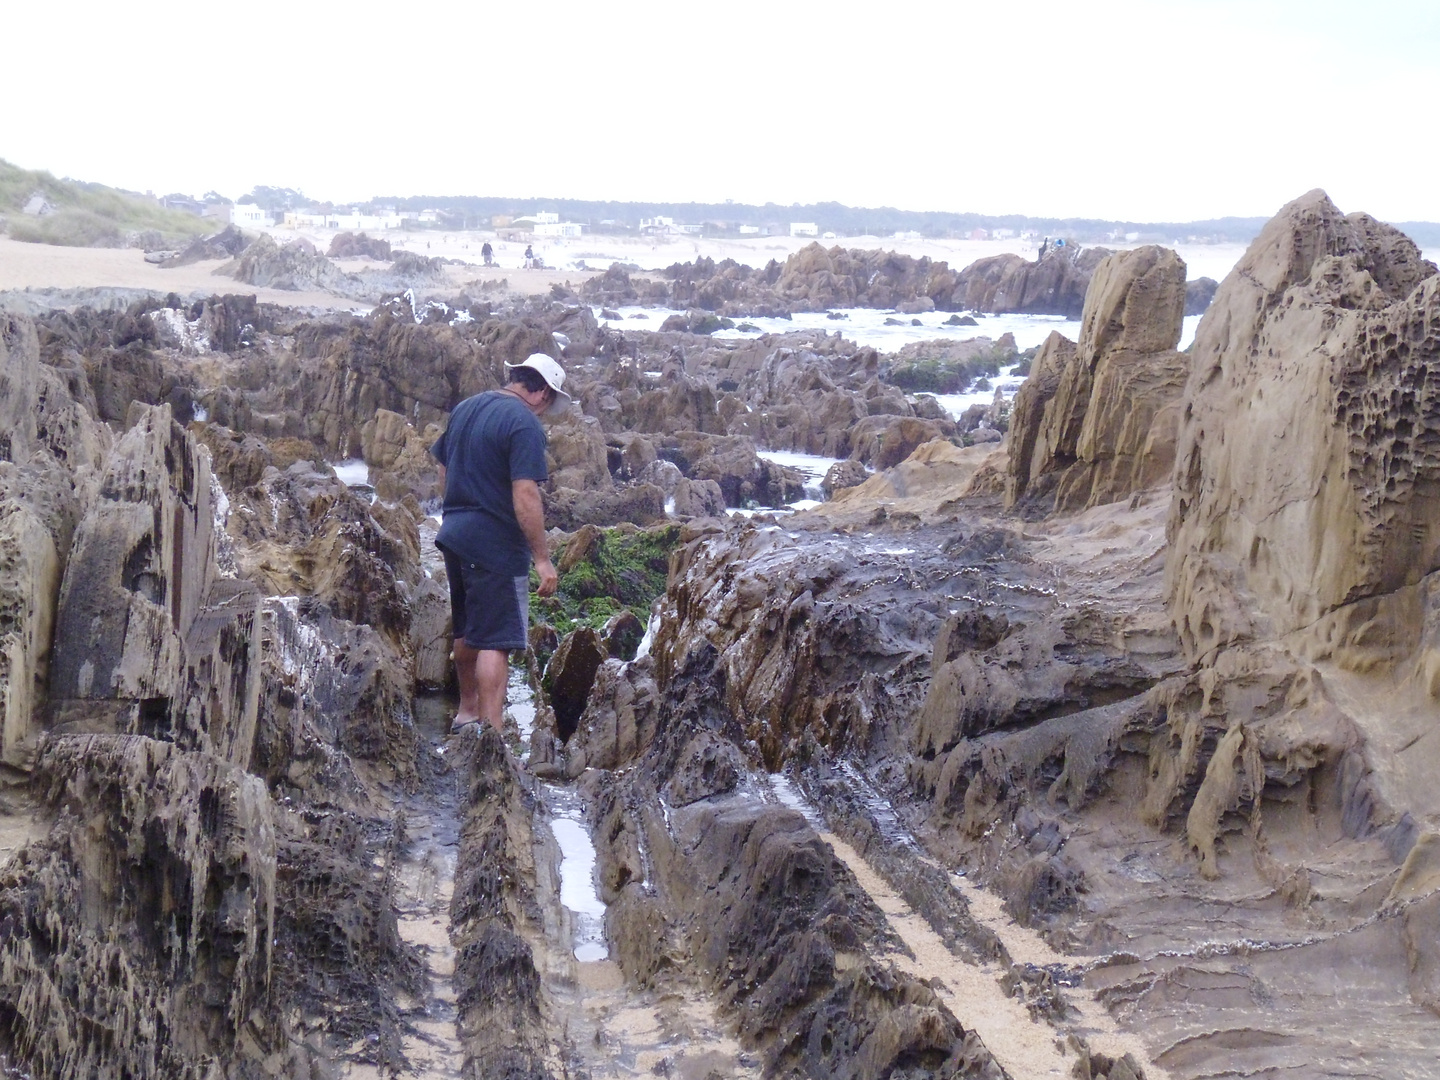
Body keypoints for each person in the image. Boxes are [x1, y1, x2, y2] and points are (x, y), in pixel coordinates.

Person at [429, 354, 571, 734]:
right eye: (549, 402)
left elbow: (443, 469)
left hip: (454, 534)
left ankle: (466, 713)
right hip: (494, 544)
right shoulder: (522, 422)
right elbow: (525, 493)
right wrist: (542, 559)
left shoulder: (466, 408)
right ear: (541, 391)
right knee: (496, 640)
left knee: (466, 631)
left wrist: (462, 507)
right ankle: (492, 733)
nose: (545, 411)